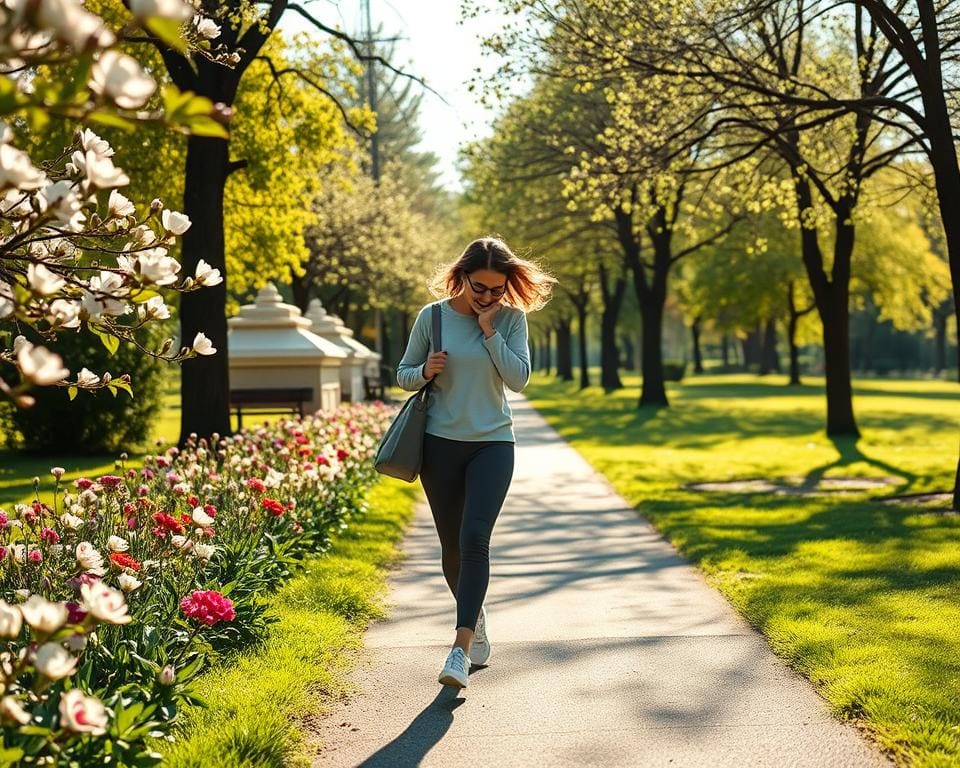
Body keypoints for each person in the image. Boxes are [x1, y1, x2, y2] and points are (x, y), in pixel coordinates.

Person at [396, 236, 556, 689]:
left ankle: (459, 651)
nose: (487, 296)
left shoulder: (510, 320)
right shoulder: (433, 317)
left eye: (496, 289)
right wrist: (425, 371)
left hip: (492, 444)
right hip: (440, 445)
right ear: (462, 276)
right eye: (479, 287)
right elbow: (404, 374)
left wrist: (489, 332)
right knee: (451, 547)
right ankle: (476, 616)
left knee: (475, 538)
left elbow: (519, 379)